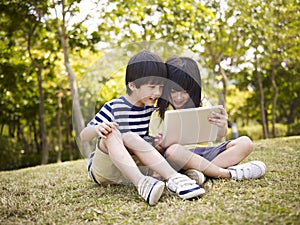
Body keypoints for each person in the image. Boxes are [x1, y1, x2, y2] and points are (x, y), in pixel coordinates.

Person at [80, 50, 205, 206]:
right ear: (132, 85)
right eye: (152, 87)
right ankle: (144, 184)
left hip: (132, 168)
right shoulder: (114, 107)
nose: (158, 92)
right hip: (105, 170)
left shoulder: (152, 112)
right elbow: (84, 135)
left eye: (161, 87)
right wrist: (98, 128)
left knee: (151, 143)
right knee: (117, 134)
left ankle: (178, 178)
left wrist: (159, 143)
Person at [149, 56, 266, 184]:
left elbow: (221, 134)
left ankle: (200, 174)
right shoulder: (159, 114)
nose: (178, 97)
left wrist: (222, 124)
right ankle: (225, 174)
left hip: (207, 154)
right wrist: (160, 146)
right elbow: (156, 152)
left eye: (185, 92)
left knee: (245, 143)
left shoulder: (203, 105)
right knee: (173, 151)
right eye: (173, 91)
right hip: (180, 160)